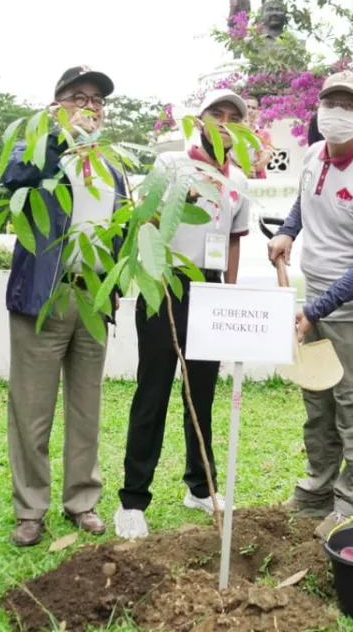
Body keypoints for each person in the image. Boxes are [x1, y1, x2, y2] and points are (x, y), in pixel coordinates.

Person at [268, 71, 353, 541]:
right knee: (318, 402)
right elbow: (304, 202)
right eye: (331, 103)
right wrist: (287, 230)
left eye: (349, 106)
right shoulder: (312, 154)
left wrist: (316, 309)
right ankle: (316, 492)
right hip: (319, 304)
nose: (337, 114)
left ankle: (352, 505)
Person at [113, 89, 250, 539]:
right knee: (151, 392)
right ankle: (133, 500)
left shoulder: (239, 181)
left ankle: (199, 485)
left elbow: (232, 240)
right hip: (164, 287)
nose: (224, 122)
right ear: (200, 119)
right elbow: (144, 222)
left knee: (203, 394)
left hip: (210, 292)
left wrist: (227, 292)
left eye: (233, 116)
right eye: (216, 113)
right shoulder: (171, 165)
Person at [2, 66, 124, 547]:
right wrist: (59, 137)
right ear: (56, 105)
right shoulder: (37, 147)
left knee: (86, 406)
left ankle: (83, 501)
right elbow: (13, 178)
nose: (90, 107)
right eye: (79, 97)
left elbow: (120, 226)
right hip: (43, 295)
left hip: (92, 295)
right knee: (31, 410)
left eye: (97, 100)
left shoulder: (111, 164)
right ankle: (30, 509)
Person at [243, 96, 274, 178]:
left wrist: (254, 167)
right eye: (247, 107)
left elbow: (267, 155)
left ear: (257, 112)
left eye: (253, 108)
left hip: (258, 179)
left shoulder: (264, 134)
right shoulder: (233, 131)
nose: (250, 110)